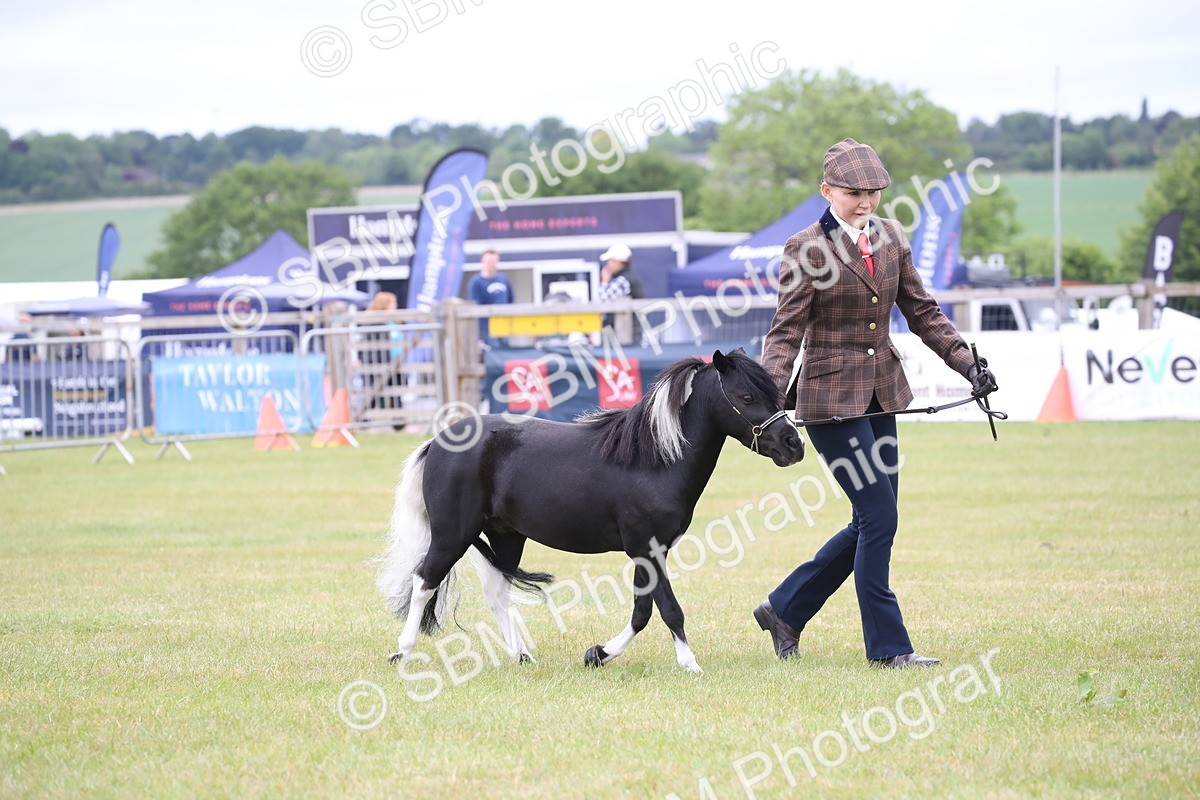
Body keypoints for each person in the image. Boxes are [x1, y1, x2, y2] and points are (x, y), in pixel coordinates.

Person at [753, 138, 998, 669]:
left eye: (873, 192)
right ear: (827, 191)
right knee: (878, 517)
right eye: (853, 192)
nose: (865, 202)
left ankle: (784, 608)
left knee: (873, 518)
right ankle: (888, 650)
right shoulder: (805, 249)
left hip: (881, 393)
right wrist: (769, 398)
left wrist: (968, 364)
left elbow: (923, 311)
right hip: (828, 399)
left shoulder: (891, 237)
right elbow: (785, 331)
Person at [466, 250, 513, 350]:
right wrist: (477, 337)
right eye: (488, 261)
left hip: (503, 327)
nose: (491, 264)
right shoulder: (476, 282)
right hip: (486, 330)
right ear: (482, 262)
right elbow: (473, 308)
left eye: (494, 261)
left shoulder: (503, 279)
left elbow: (510, 300)